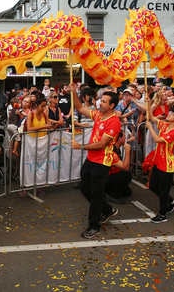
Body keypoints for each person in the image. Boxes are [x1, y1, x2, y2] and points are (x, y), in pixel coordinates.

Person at [71, 87, 121, 239]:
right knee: (85, 188)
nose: (100, 102)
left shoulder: (114, 122)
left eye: (104, 101)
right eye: (101, 100)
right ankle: (107, 209)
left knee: (96, 195)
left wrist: (80, 146)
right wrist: (73, 91)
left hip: (102, 163)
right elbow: (79, 107)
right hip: (91, 159)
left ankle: (94, 226)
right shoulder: (99, 115)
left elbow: (102, 144)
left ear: (112, 106)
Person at [145, 105, 174, 222]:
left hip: (166, 164)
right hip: (158, 161)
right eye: (170, 112)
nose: (169, 114)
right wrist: (152, 103)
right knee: (153, 185)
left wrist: (150, 128)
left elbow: (158, 139)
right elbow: (152, 117)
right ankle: (171, 201)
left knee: (163, 190)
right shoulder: (165, 124)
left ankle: (162, 214)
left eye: (172, 114)